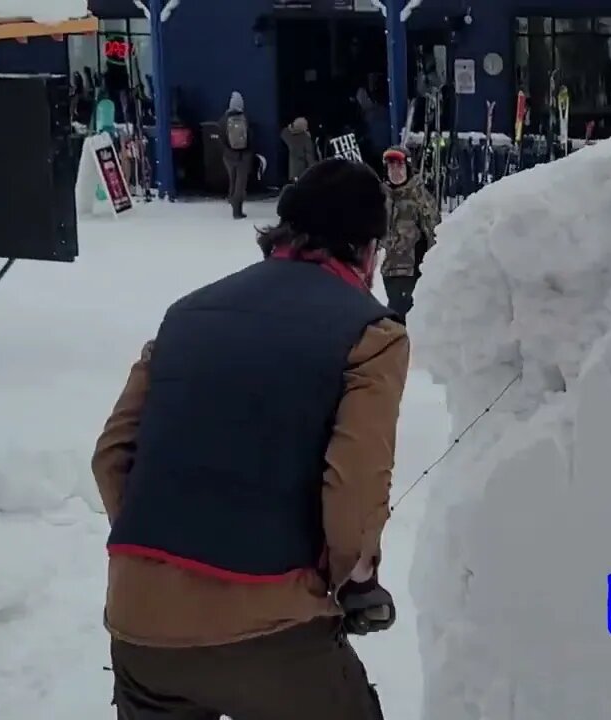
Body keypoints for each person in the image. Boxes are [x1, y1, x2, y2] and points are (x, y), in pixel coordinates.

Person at [93, 157, 407, 720]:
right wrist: (352, 581)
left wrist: (163, 552)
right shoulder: (371, 333)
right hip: (272, 630)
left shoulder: (184, 315)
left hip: (140, 627)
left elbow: (112, 456)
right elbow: (355, 494)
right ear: (365, 251)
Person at [379, 146, 439, 323]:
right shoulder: (381, 197)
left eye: (399, 166)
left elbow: (435, 231)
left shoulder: (419, 197)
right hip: (389, 270)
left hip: (411, 271)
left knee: (403, 319)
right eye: (391, 167)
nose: (395, 172)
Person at [220, 91, 251, 219]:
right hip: (243, 156)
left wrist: (227, 149)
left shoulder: (223, 119)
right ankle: (237, 211)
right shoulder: (244, 118)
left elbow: (221, 137)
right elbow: (250, 137)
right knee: (240, 183)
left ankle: (232, 201)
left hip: (228, 156)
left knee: (232, 181)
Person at [280, 116, 318, 182]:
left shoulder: (286, 134)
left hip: (292, 171)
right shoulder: (305, 138)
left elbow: (284, 132)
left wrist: (290, 127)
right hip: (302, 170)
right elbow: (309, 155)